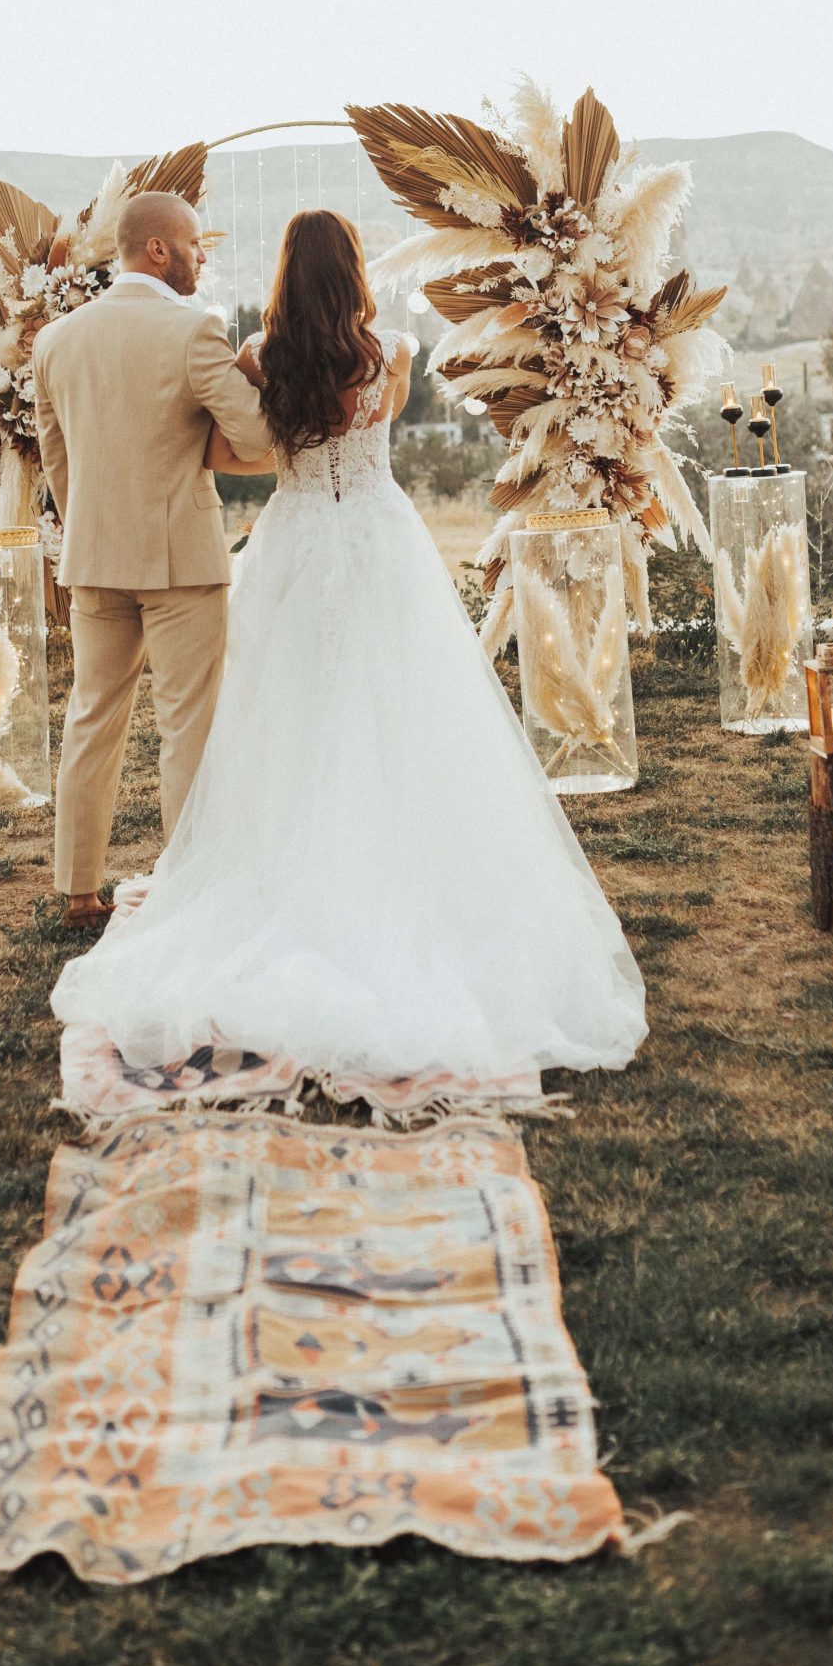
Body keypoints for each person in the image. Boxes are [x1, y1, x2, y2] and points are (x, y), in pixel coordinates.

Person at [51, 207, 645, 1087]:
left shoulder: (259, 357)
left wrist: (270, 444)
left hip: (291, 540)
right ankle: (399, 855)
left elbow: (232, 451)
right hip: (375, 538)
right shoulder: (392, 353)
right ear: (356, 273)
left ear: (285, 275)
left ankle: (201, 873)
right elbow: (372, 430)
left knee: (278, 708)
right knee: (396, 700)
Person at [33, 190, 273, 930]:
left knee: (90, 718)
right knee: (187, 726)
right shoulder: (194, 331)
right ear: (159, 249)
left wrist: (91, 530)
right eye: (195, 244)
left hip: (92, 557)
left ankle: (78, 893)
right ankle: (192, 886)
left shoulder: (56, 340)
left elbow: (56, 461)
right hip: (180, 562)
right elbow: (257, 439)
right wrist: (253, 374)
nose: (203, 257)